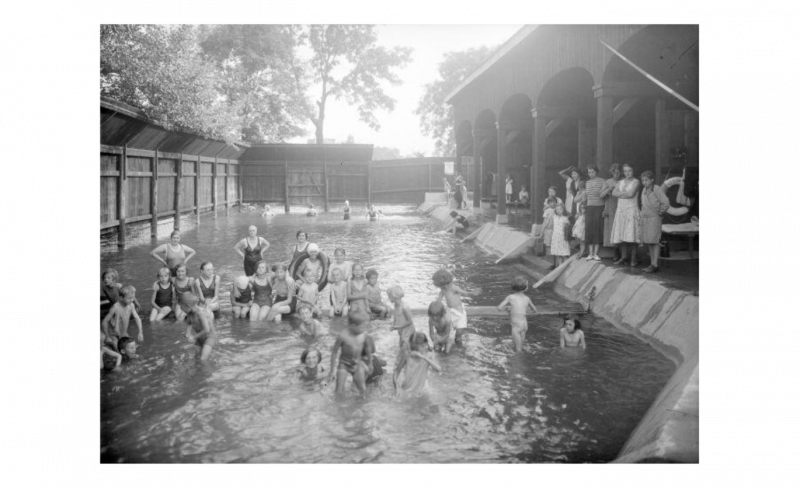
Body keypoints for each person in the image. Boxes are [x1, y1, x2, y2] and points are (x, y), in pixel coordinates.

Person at [327, 310, 375, 397]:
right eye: (363, 326)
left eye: (366, 326)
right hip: (344, 364)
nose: (365, 328)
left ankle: (361, 407)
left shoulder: (363, 334)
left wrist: (370, 363)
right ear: (353, 326)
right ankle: (339, 408)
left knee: (362, 389)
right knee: (339, 390)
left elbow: (368, 347)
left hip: (357, 364)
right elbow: (334, 352)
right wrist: (331, 371)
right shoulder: (343, 336)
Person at [432, 268, 481, 346]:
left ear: (448, 282)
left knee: (459, 333)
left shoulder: (453, 288)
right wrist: (436, 307)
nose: (444, 287)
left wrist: (472, 293)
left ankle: (458, 342)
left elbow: (464, 293)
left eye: (445, 285)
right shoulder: (443, 289)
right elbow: (439, 299)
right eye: (441, 286)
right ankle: (444, 339)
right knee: (445, 328)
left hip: (459, 312)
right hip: (449, 311)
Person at [611, 163, 642, 267]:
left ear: (633, 171)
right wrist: (624, 194)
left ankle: (633, 258)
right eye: (625, 171)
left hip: (631, 210)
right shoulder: (620, 182)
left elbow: (631, 194)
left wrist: (621, 194)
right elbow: (613, 193)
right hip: (621, 210)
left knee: (632, 236)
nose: (627, 173)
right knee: (622, 235)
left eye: (629, 171)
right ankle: (624, 257)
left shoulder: (636, 182)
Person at [639, 171, 670, 273]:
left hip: (654, 218)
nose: (644, 182)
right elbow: (643, 204)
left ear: (652, 180)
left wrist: (660, 213)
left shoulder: (656, 189)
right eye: (643, 180)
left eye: (646, 180)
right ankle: (651, 263)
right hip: (646, 219)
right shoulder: (644, 190)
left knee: (655, 241)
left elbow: (665, 202)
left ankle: (655, 264)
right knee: (649, 242)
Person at [497, 276, 539, 352]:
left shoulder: (511, 297)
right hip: (524, 325)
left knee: (518, 350)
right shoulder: (527, 298)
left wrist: (507, 308)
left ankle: (518, 360)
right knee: (521, 345)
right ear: (525, 287)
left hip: (516, 326)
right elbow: (535, 310)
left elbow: (499, 308)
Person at [393, 332, 441, 396]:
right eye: (412, 348)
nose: (414, 351)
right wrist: (396, 387)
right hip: (406, 388)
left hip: (421, 390)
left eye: (416, 349)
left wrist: (423, 357)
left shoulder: (429, 355)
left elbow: (438, 369)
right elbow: (396, 371)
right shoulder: (407, 354)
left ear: (425, 345)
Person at [102, 285, 143, 349]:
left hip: (123, 332)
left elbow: (137, 318)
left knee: (132, 347)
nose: (132, 300)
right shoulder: (115, 308)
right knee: (119, 349)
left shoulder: (131, 305)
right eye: (129, 298)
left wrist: (140, 332)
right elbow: (104, 322)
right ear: (121, 298)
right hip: (113, 333)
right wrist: (107, 336)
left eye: (133, 297)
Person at [180, 291, 217, 361]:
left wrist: (193, 337)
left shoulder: (201, 313)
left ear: (187, 306)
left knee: (203, 359)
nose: (181, 309)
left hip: (209, 337)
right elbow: (189, 323)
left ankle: (211, 368)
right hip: (200, 339)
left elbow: (207, 330)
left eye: (181, 307)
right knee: (196, 358)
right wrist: (187, 334)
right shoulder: (190, 313)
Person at [583, 165, 606, 261]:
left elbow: (602, 194)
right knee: (589, 228)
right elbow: (585, 197)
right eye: (589, 172)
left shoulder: (602, 181)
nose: (590, 174)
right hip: (589, 207)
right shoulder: (587, 182)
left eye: (592, 172)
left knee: (597, 228)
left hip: (599, 207)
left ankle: (596, 253)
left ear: (596, 172)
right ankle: (590, 253)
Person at [601, 164, 623, 260]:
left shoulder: (623, 181)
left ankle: (623, 253)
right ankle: (616, 252)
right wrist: (609, 189)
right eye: (614, 172)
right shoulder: (608, 181)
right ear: (611, 172)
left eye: (618, 172)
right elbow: (600, 195)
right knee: (612, 229)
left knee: (621, 228)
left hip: (621, 205)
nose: (616, 174)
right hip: (610, 206)